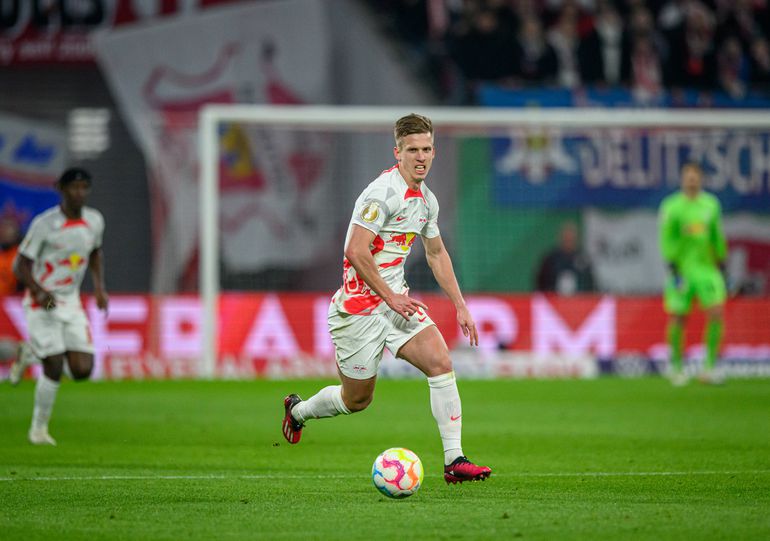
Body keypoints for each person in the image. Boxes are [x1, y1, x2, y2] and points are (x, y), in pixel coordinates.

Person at [281, 114, 492, 484]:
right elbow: (355, 250)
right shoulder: (382, 194)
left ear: (434, 152)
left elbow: (436, 253)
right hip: (358, 311)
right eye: (412, 150)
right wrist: (390, 296)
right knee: (356, 400)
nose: (421, 157)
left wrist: (460, 305)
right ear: (398, 153)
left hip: (397, 305)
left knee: (441, 363)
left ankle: (454, 461)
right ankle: (298, 411)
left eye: (426, 149)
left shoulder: (426, 201)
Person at [12, 167, 108, 444]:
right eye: (74, 187)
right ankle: (38, 430)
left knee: (82, 370)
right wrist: (38, 291)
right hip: (43, 301)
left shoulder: (94, 221)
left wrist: (99, 288)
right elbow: (20, 265)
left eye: (84, 187)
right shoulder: (45, 224)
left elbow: (95, 252)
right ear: (62, 190)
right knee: (54, 364)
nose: (79, 193)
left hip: (70, 301)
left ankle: (31, 353)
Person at [658, 162, 727, 386]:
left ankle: (709, 367)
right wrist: (671, 261)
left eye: (695, 176)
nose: (691, 180)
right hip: (682, 270)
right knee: (678, 316)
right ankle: (676, 367)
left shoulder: (711, 205)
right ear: (682, 179)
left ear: (701, 179)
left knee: (716, 312)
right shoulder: (672, 206)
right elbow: (666, 236)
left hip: (707, 269)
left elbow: (716, 234)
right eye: (688, 176)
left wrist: (721, 257)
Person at [535, 221, 595, 295]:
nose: (568, 240)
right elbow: (541, 283)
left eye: (571, 238)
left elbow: (589, 285)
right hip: (554, 299)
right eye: (566, 238)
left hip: (578, 300)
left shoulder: (583, 259)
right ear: (561, 238)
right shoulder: (551, 259)